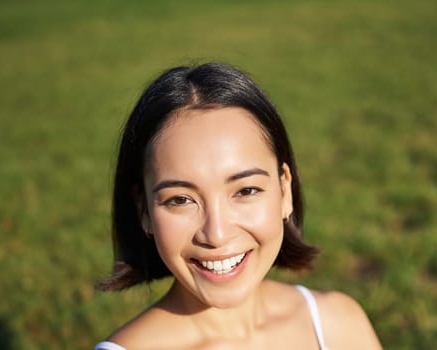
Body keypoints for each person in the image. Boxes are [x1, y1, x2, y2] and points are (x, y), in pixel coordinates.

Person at [94, 63, 381, 349]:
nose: (216, 234)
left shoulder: (339, 324)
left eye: (245, 190)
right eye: (180, 199)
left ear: (284, 191)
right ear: (143, 210)